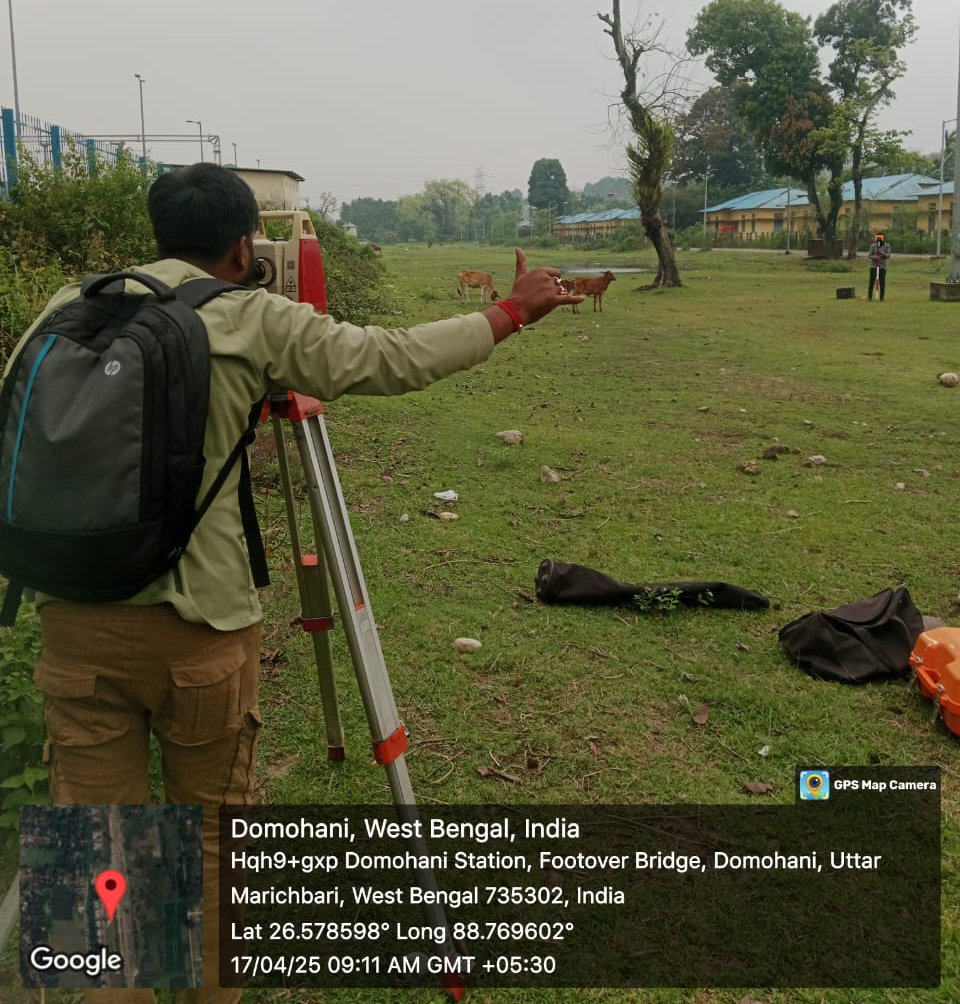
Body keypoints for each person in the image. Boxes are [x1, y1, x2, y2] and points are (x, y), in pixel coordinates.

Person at [9, 162, 583, 1004]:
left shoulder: (69, 306)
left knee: (102, 843)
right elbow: (392, 358)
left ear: (159, 232)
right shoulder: (251, 318)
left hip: (71, 624)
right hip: (198, 634)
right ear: (246, 246)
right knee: (213, 839)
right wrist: (511, 311)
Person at [867, 231, 892, 301]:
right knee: (871, 281)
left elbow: (888, 256)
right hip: (873, 266)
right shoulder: (873, 246)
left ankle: (881, 298)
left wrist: (881, 252)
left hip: (882, 267)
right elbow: (869, 255)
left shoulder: (887, 246)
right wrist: (875, 257)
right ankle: (869, 297)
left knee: (882, 282)